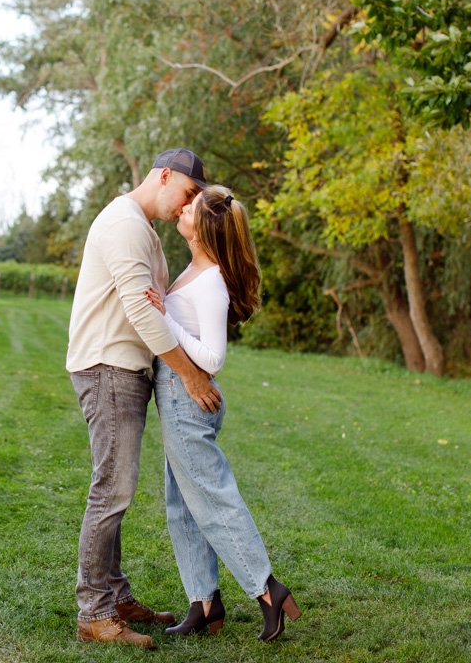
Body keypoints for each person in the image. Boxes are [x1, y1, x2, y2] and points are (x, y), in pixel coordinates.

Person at [67, 149, 222, 650]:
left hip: (124, 369)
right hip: (109, 366)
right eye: (189, 193)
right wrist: (192, 378)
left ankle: (115, 596)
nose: (187, 206)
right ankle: (94, 612)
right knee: (111, 491)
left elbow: (159, 303)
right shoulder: (125, 224)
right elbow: (141, 310)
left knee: (115, 488)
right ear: (164, 176)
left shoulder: (142, 228)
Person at [143, 184, 301, 643]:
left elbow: (211, 359)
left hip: (187, 398)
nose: (181, 209)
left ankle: (267, 590)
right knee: (182, 506)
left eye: (190, 208)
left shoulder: (210, 280)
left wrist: (165, 319)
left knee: (212, 500)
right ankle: (205, 605)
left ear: (203, 228)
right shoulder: (196, 268)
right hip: (178, 397)